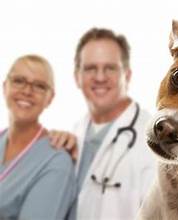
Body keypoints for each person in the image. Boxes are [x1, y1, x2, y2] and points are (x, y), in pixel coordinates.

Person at [51, 28, 156, 220]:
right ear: (77, 77)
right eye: (91, 68)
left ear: (128, 75)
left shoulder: (152, 143)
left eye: (110, 68)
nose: (100, 77)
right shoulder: (76, 133)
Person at [0, 55, 76, 219]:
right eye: (19, 81)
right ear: (4, 87)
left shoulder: (56, 161)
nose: (27, 91)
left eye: (40, 86)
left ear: (50, 98)